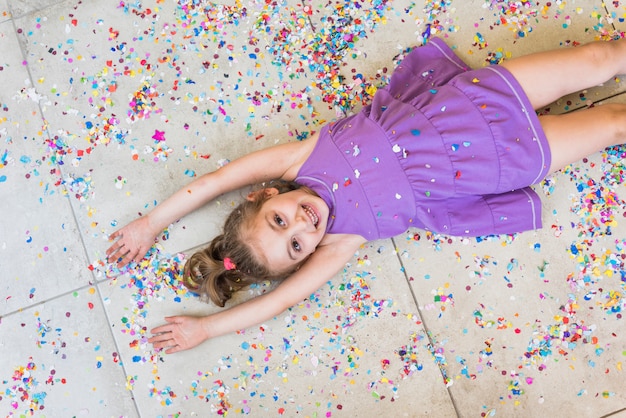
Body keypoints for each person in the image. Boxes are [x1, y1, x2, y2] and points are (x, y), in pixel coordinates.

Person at [106, 37, 626, 354]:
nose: (303, 227)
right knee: (611, 122)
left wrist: (151, 224)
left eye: (279, 220)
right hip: (498, 162)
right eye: (295, 247)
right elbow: (279, 301)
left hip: (473, 102)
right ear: (307, 258)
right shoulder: (341, 240)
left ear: (265, 193)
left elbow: (215, 181)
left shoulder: (298, 160)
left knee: (599, 58)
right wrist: (209, 331)